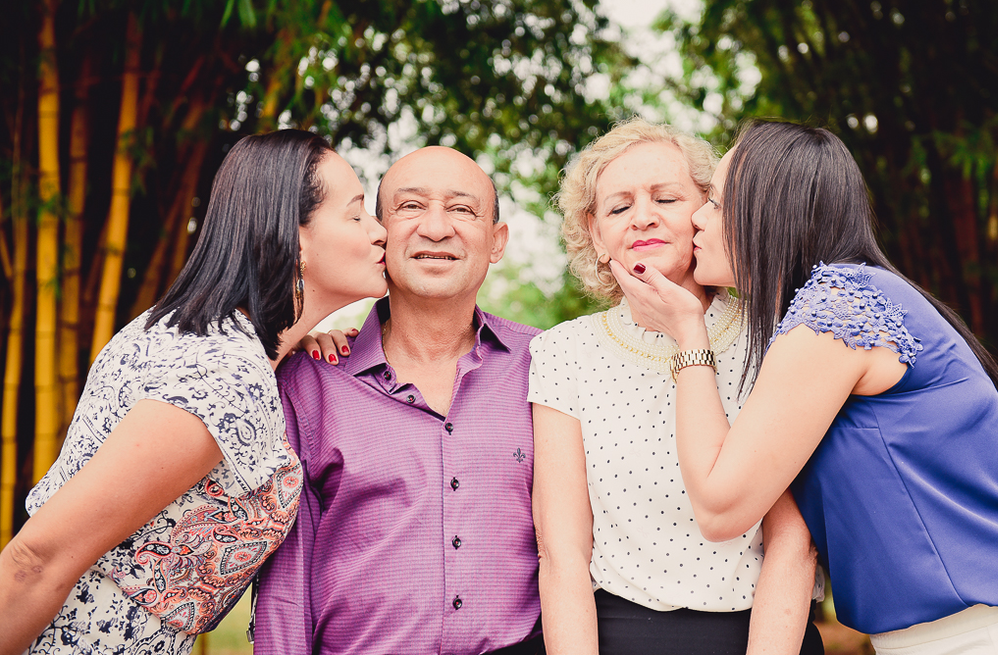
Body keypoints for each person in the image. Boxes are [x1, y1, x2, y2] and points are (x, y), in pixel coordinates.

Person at [612, 120, 998, 655]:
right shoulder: (847, 300)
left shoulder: (835, 311)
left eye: (717, 201)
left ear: (769, 211)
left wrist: (689, 334)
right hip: (974, 631)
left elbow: (721, 507)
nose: (698, 216)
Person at [0, 129, 388, 655]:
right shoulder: (224, 374)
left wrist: (290, 351)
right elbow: (35, 561)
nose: (380, 231)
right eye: (357, 214)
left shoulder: (199, 335)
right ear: (294, 238)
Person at [529, 118, 823, 655]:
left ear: (708, 212)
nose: (643, 217)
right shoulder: (562, 352)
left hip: (763, 633)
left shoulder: (777, 335)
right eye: (618, 207)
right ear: (595, 234)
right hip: (617, 636)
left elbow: (792, 540)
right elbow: (562, 552)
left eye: (665, 199)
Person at [253, 146, 545, 655]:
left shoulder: (549, 368)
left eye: (462, 209)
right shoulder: (310, 383)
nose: (436, 228)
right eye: (411, 206)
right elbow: (285, 589)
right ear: (378, 233)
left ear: (496, 241)